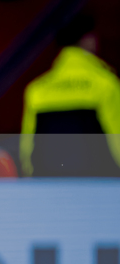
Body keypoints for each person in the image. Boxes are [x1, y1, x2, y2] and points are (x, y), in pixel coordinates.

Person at [20, 14, 120, 177]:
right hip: (97, 187)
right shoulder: (106, 85)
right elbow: (117, 141)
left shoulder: (36, 90)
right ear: (88, 40)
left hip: (51, 186)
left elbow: (27, 150)